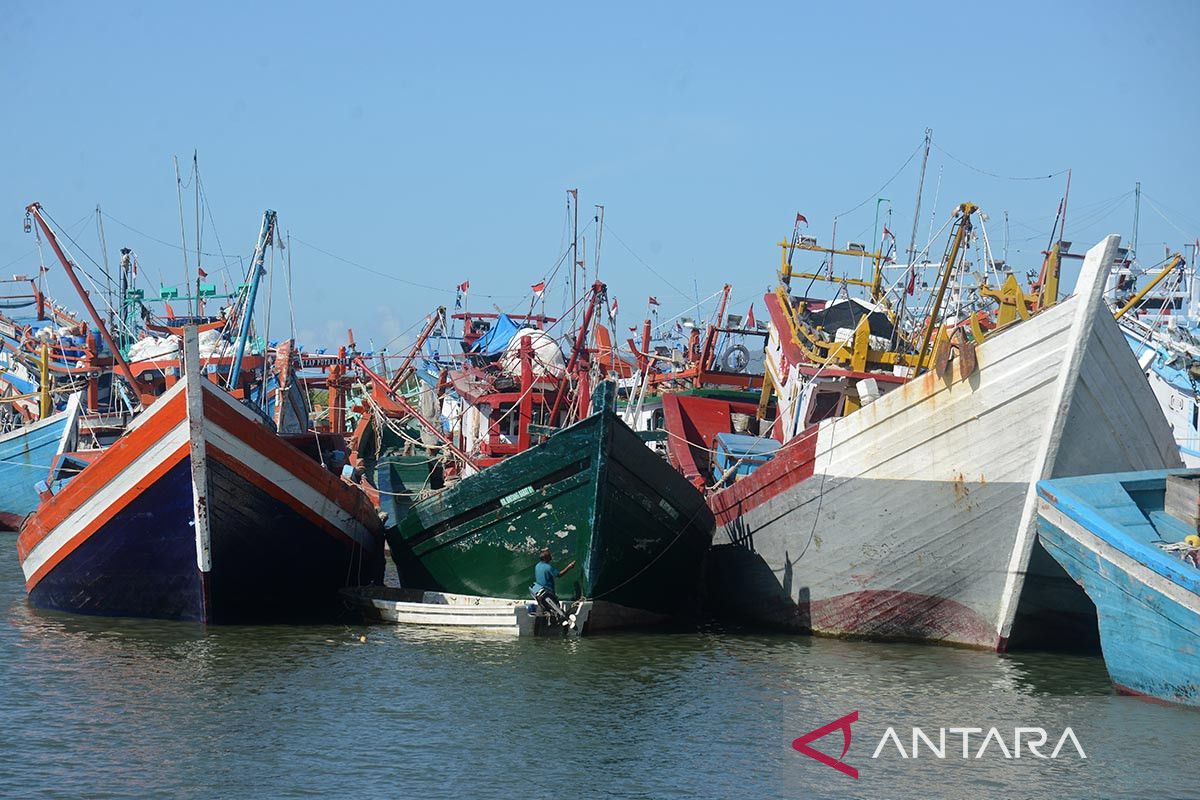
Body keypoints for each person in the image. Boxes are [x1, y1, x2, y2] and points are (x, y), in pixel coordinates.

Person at [530, 548, 576, 619]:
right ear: (546, 558)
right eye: (549, 556)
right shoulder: (548, 567)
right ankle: (560, 620)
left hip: (538, 591)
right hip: (548, 593)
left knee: (543, 606)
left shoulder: (537, 566)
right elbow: (559, 575)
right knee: (556, 606)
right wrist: (569, 567)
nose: (551, 557)